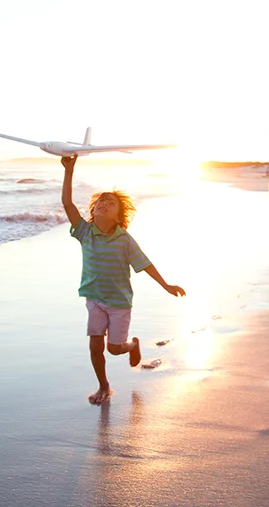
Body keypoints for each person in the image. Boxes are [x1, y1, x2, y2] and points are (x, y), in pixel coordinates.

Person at [61, 155, 186, 405]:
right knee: (95, 344)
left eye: (110, 204)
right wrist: (69, 170)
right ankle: (104, 386)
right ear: (92, 212)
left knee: (114, 349)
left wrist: (166, 285)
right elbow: (67, 203)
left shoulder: (124, 239)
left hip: (119, 303)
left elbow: (145, 263)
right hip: (94, 299)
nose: (103, 205)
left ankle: (133, 344)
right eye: (100, 203)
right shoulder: (86, 232)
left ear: (119, 217)